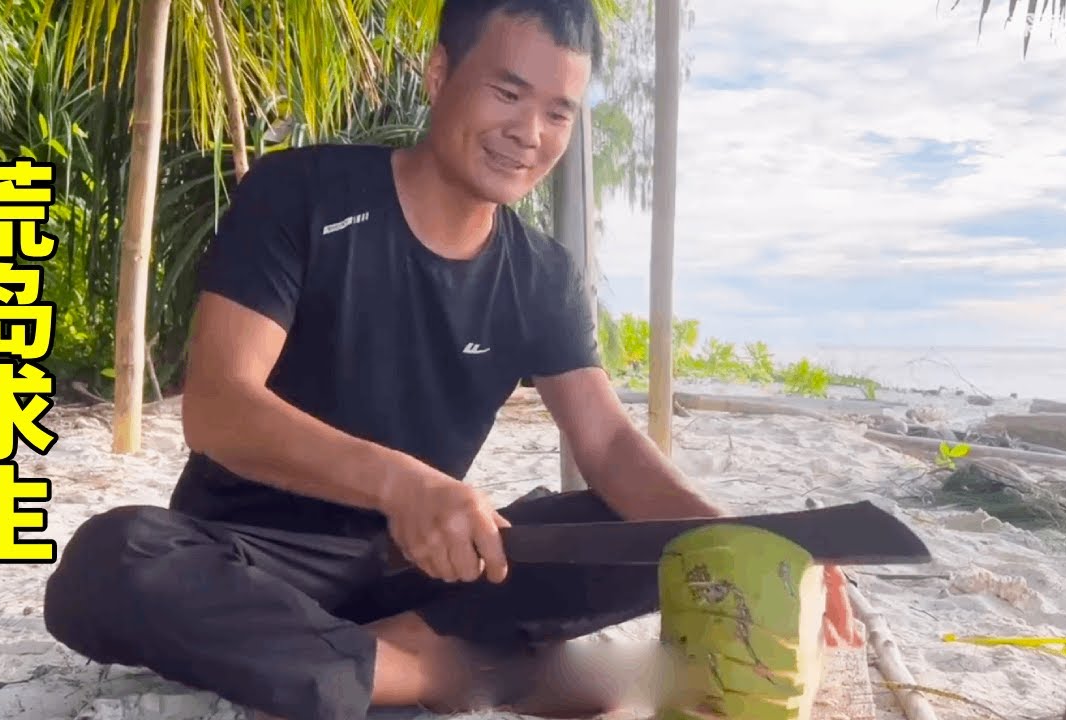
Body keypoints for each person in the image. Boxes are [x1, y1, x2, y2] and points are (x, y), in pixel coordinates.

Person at [42, 2, 859, 719]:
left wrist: (741, 544)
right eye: (508, 92)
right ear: (440, 72)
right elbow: (219, 405)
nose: (528, 134)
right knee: (111, 561)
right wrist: (407, 485)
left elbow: (607, 447)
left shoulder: (541, 274)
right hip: (250, 554)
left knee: (650, 535)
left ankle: (363, 669)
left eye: (558, 113)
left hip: (426, 567)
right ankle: (443, 669)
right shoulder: (303, 194)